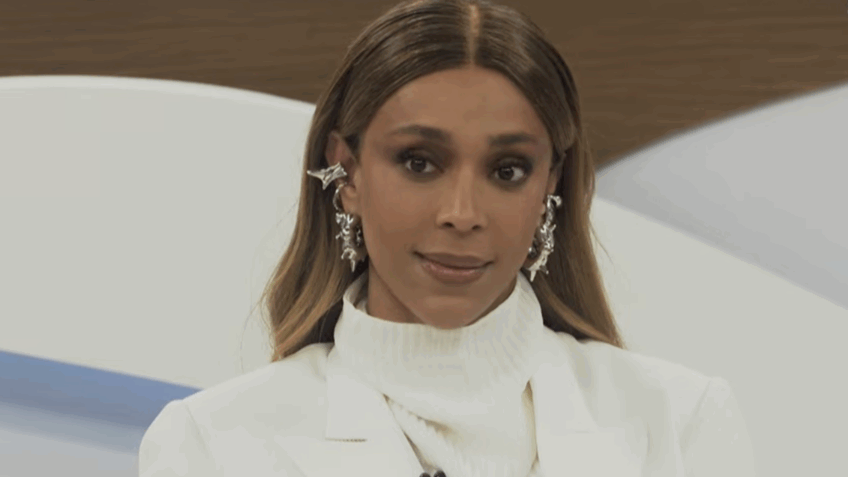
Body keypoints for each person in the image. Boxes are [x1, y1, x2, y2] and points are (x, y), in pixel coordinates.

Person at [138, 0, 757, 476]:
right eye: (419, 162)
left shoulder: (680, 423)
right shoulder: (212, 444)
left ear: (550, 186)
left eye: (507, 171)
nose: (462, 214)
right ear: (346, 172)